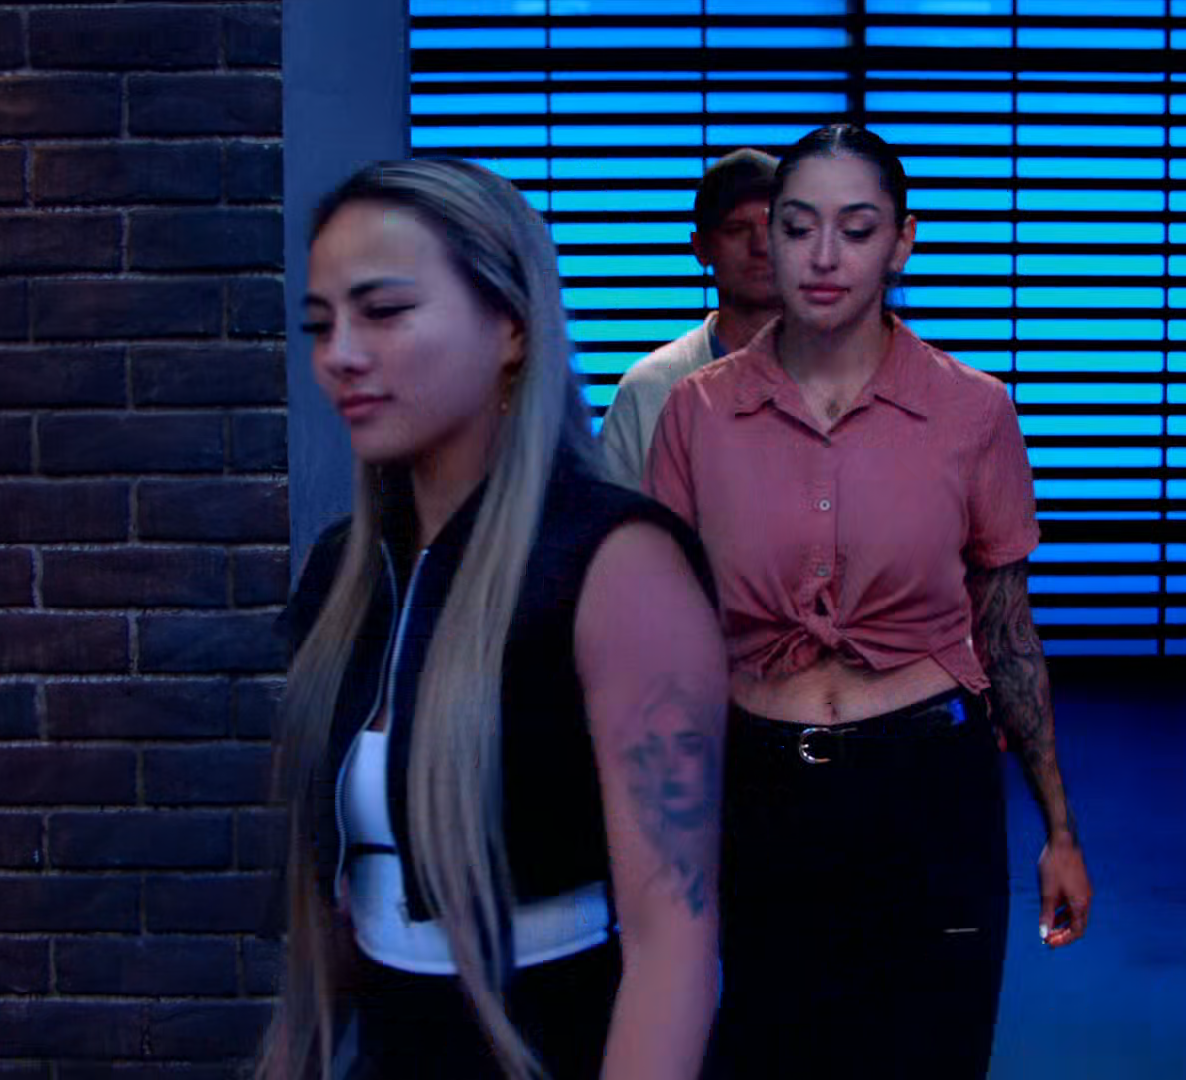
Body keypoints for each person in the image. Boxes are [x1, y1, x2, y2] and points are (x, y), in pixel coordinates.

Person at [262, 158, 728, 1080]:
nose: (340, 354)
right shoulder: (344, 573)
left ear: (510, 325)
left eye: (384, 311)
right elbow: (338, 910)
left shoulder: (618, 563)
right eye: (321, 324)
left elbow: (674, 950)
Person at [645, 124, 1095, 1078]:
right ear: (768, 240)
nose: (823, 256)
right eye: (796, 226)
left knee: (931, 1054)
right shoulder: (697, 412)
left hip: (929, 785)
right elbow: (663, 645)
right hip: (761, 787)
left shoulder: (974, 410)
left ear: (901, 242)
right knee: (771, 1053)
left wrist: (1058, 828)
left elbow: (1008, 632)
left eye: (855, 229)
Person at [598, 149, 783, 490]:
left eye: (775, 227)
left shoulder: (844, 378)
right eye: (736, 229)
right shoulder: (649, 389)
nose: (760, 246)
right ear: (701, 248)